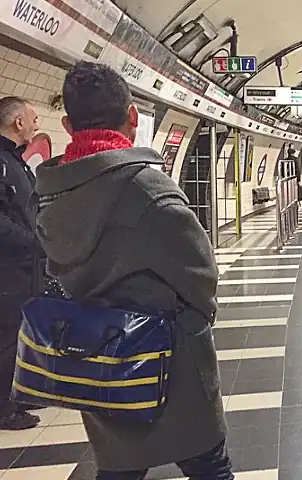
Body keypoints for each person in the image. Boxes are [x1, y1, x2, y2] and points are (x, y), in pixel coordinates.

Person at [34, 61, 233, 479]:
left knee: (121, 465)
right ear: (133, 118)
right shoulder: (147, 189)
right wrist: (196, 322)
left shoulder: (50, 200)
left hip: (99, 358)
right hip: (173, 358)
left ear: (69, 126)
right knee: (208, 465)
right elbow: (200, 273)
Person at [0, 96, 42, 431]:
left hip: (24, 267)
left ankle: (19, 395)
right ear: (17, 123)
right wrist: (33, 241)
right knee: (6, 336)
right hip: (7, 268)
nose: (36, 124)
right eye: (33, 118)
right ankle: (4, 409)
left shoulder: (16, 161)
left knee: (20, 333)